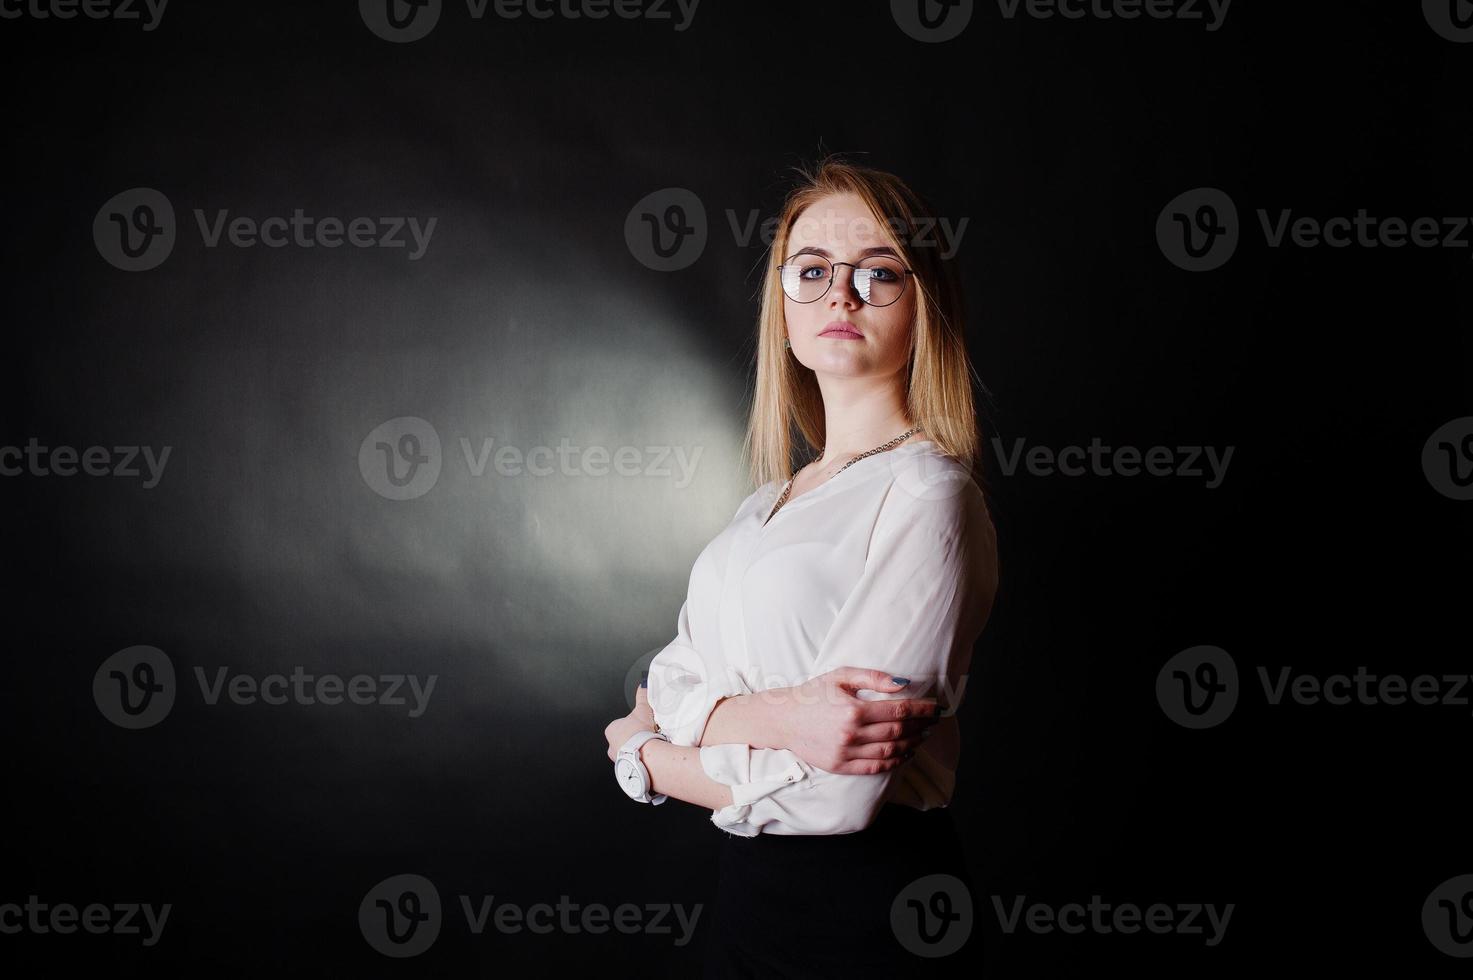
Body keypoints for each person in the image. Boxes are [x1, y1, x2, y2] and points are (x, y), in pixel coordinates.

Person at [604, 154, 999, 976]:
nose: (839, 295)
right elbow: (669, 684)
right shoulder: (763, 510)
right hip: (751, 902)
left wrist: (642, 757)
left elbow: (833, 793)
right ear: (781, 310)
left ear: (922, 304)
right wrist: (781, 719)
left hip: (874, 912)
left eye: (877, 272)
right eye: (811, 271)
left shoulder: (929, 495)